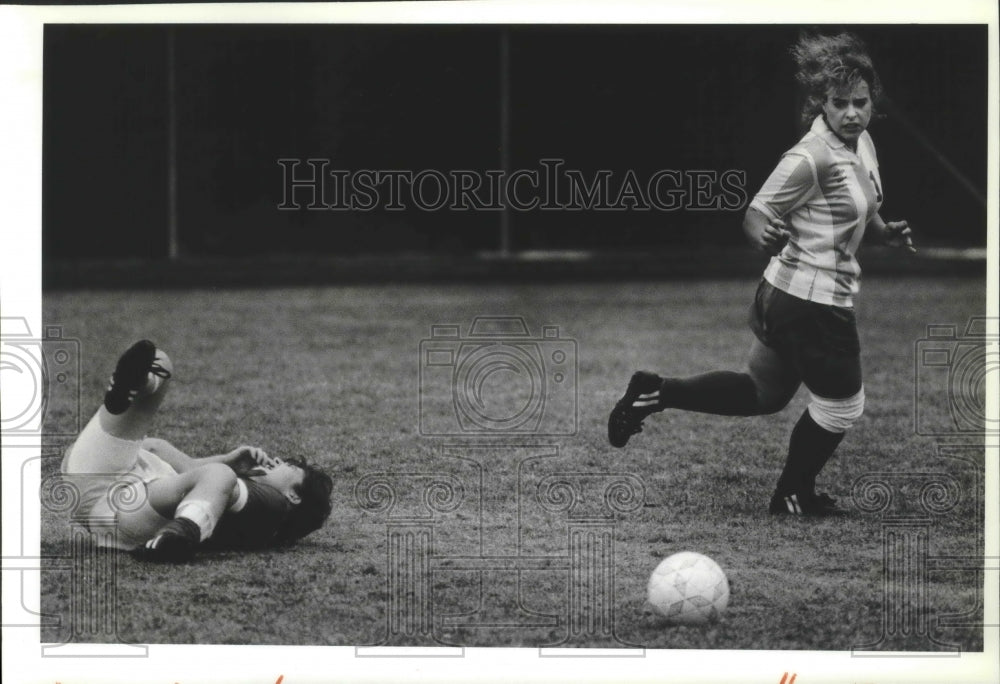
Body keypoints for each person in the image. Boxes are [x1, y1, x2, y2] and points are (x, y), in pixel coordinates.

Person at [607, 32, 915, 516]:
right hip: (812, 302)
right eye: (840, 104)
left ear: (872, 101)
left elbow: (858, 206)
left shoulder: (863, 142)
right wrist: (759, 233)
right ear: (822, 103)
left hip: (787, 295)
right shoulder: (810, 155)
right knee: (842, 407)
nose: (851, 112)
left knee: (762, 392)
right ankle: (793, 494)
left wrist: (882, 231)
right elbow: (756, 212)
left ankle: (654, 391)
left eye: (860, 102)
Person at [60, 339, 333, 560]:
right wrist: (225, 460)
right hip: (102, 479)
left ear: (294, 496)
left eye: (291, 467)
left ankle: (182, 533)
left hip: (119, 503)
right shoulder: (243, 498)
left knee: (219, 475)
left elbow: (213, 477)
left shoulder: (273, 504)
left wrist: (223, 469)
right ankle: (136, 386)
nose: (278, 460)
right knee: (159, 360)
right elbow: (155, 447)